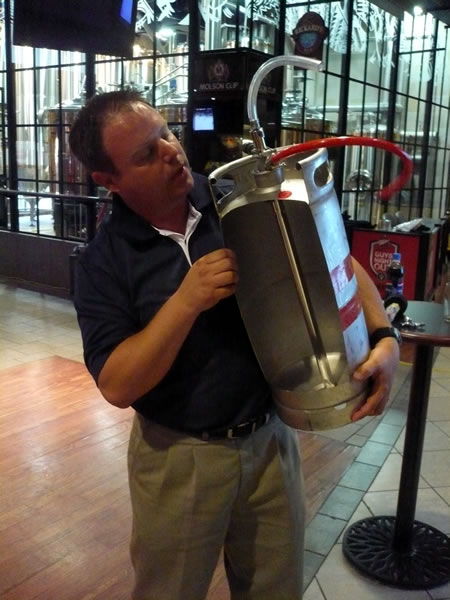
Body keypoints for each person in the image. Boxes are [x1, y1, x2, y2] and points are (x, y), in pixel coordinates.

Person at [69, 90, 399, 600]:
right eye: (145, 154)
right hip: (179, 458)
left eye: (166, 134)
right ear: (108, 181)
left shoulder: (233, 199)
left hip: (270, 441)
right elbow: (116, 382)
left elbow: (336, 259)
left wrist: (384, 336)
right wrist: (186, 301)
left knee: (277, 589)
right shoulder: (102, 261)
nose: (171, 152)